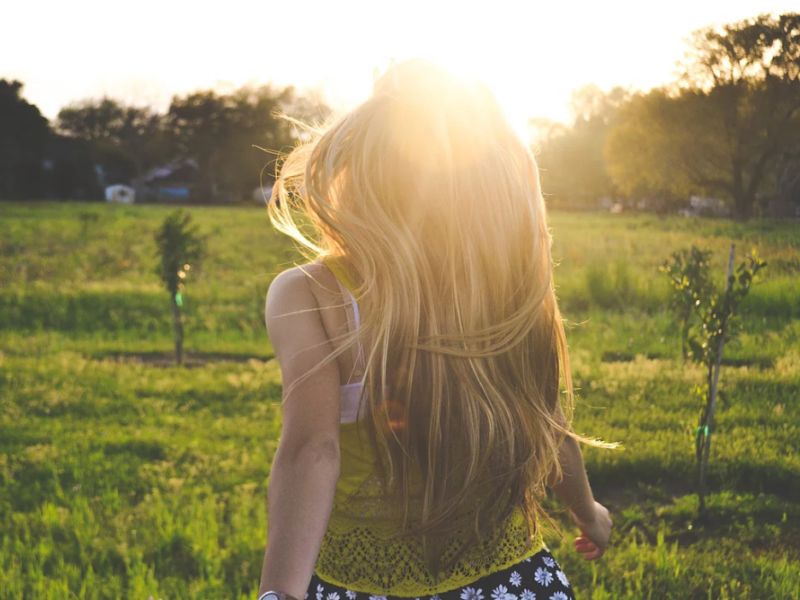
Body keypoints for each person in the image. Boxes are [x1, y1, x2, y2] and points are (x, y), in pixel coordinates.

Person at [257, 58, 615, 600]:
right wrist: (587, 511)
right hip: (512, 582)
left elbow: (313, 449)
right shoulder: (503, 287)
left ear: (357, 170)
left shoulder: (311, 293)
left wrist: (278, 593)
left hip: (365, 587)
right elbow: (546, 414)